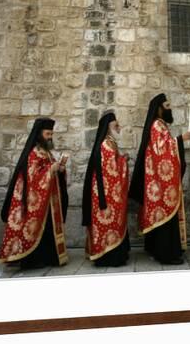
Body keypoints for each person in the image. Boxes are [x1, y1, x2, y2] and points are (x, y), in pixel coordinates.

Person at [0, 118, 69, 268]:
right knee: (36, 229)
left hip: (48, 200)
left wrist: (60, 169)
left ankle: (49, 257)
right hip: (34, 201)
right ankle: (34, 260)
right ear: (39, 134)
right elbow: (32, 176)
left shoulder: (46, 152)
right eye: (48, 133)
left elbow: (49, 169)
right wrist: (51, 169)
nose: (50, 136)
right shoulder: (34, 152)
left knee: (48, 229)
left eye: (51, 134)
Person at [129, 93, 190, 265]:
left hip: (159, 180)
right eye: (167, 105)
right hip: (159, 182)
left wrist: (176, 141)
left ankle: (162, 250)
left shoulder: (161, 125)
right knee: (164, 214)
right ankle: (165, 254)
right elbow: (160, 150)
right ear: (160, 108)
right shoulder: (157, 125)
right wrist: (180, 139)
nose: (170, 108)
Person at [82, 112, 131, 267]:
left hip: (108, 190)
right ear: (108, 127)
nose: (118, 127)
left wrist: (121, 159)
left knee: (112, 222)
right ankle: (108, 256)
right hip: (106, 192)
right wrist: (123, 162)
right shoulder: (106, 144)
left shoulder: (109, 142)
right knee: (109, 222)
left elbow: (111, 165)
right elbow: (111, 171)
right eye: (115, 125)